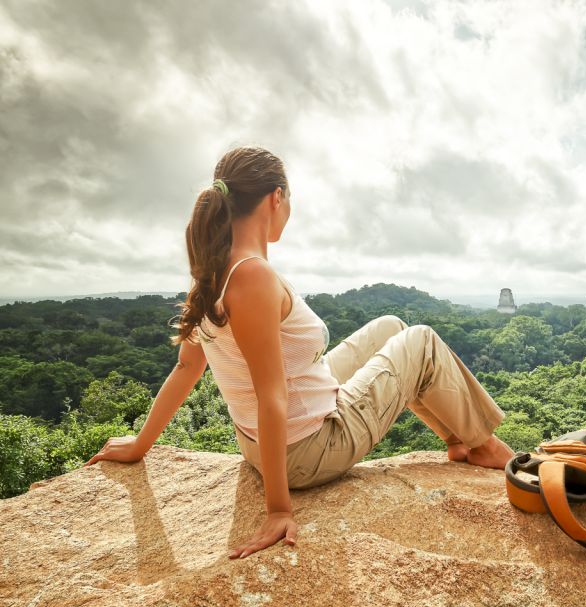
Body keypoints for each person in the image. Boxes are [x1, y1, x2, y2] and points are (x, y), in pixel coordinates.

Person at [83, 145, 515, 560]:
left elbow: (186, 368)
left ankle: (459, 438)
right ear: (276, 197)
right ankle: (485, 446)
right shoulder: (252, 277)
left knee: (392, 328)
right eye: (289, 201)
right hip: (308, 451)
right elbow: (271, 396)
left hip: (270, 441)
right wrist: (278, 510)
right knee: (420, 339)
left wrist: (141, 444)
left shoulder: (214, 270)